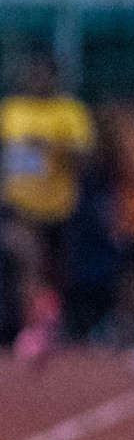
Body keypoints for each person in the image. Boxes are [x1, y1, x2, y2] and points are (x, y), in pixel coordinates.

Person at [0, 51, 95, 366]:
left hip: (60, 204)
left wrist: (51, 145)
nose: (38, 80)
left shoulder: (69, 112)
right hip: (20, 204)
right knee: (29, 263)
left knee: (55, 271)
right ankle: (31, 330)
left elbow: (86, 159)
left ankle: (50, 323)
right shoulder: (12, 111)